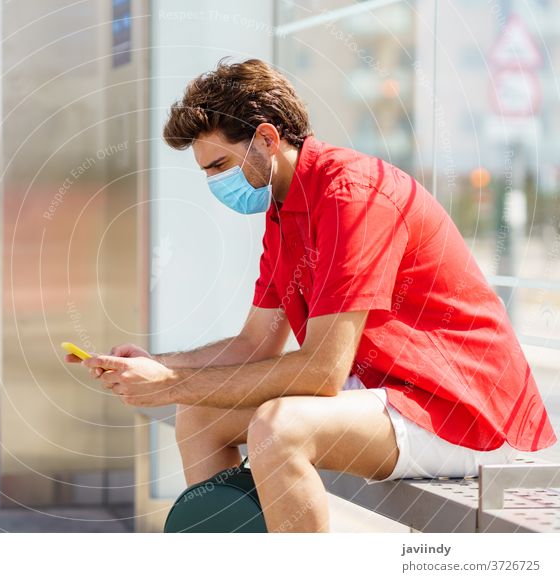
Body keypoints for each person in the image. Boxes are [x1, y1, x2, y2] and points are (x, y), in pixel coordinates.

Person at [67, 57, 557, 533]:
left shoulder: (354, 197)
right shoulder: (284, 209)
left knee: (280, 428)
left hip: (464, 410)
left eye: (219, 165)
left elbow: (321, 373)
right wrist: (155, 365)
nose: (215, 182)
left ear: (266, 138)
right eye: (206, 172)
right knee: (198, 417)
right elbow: (253, 346)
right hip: (389, 392)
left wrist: (169, 383)